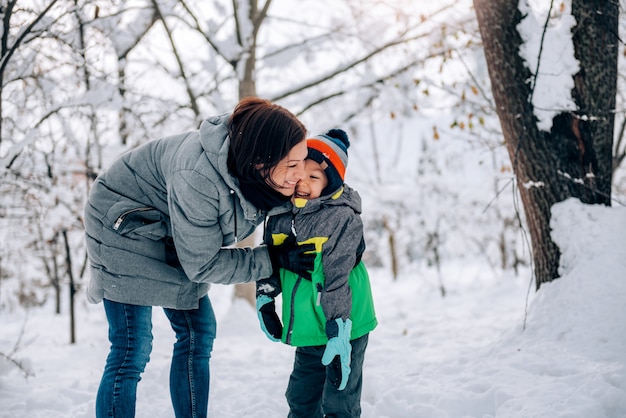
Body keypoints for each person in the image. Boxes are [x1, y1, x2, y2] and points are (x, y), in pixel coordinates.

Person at [83, 97, 316, 418]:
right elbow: (202, 264)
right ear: (259, 160)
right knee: (132, 347)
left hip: (173, 230)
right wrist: (271, 259)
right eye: (292, 165)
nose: (299, 173)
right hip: (124, 224)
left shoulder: (252, 167)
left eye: (302, 161)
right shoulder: (199, 177)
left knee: (198, 333)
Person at [255, 129, 377, 417]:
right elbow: (269, 256)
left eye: (315, 177)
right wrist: (265, 297)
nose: (303, 183)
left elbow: (336, 276)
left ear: (330, 182)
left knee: (339, 400)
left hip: (345, 322)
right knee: (301, 398)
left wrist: (339, 330)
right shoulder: (281, 213)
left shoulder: (341, 218)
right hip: (309, 323)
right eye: (299, 173)